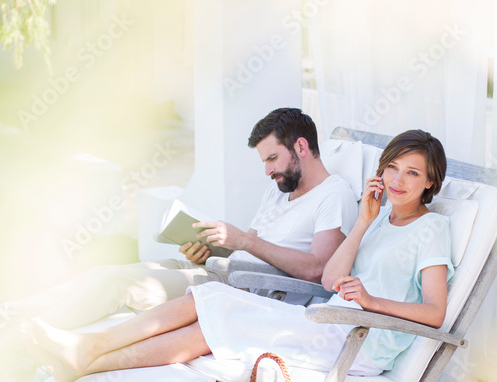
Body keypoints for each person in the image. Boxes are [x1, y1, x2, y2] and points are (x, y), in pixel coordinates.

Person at [22, 130, 455, 382]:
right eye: (392, 168)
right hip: (329, 320)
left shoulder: (432, 228)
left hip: (359, 344)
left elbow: (435, 313)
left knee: (217, 321)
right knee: (208, 299)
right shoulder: (375, 219)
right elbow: (329, 283)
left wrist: (372, 302)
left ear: (430, 182)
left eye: (412, 173)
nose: (398, 180)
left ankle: (87, 355)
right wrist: (362, 222)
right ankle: (86, 354)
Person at [2, 108, 357, 334]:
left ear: (300, 147)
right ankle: (16, 312)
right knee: (106, 271)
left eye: (272, 158)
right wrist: (211, 250)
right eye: (264, 161)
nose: (267, 170)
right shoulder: (280, 188)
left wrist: (244, 242)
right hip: (223, 269)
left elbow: (317, 272)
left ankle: (28, 335)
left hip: (246, 290)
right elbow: (254, 247)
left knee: (119, 282)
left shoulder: (333, 195)